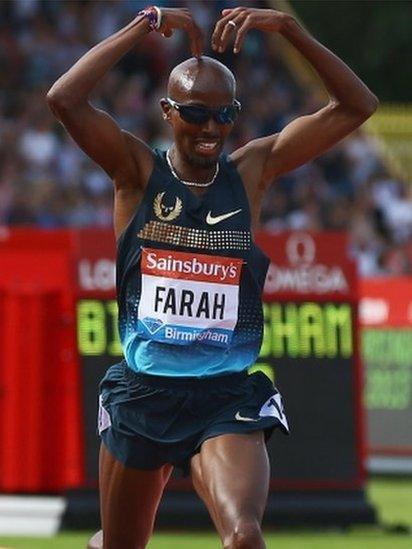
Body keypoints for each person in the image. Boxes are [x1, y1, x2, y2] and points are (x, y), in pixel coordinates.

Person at [47, 5, 377, 548]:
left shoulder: (252, 171)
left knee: (244, 537)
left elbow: (358, 105)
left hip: (224, 398)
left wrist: (292, 30)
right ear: (168, 111)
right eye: (197, 114)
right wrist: (145, 23)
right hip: (144, 394)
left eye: (225, 116)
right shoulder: (135, 172)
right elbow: (63, 99)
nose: (211, 129)